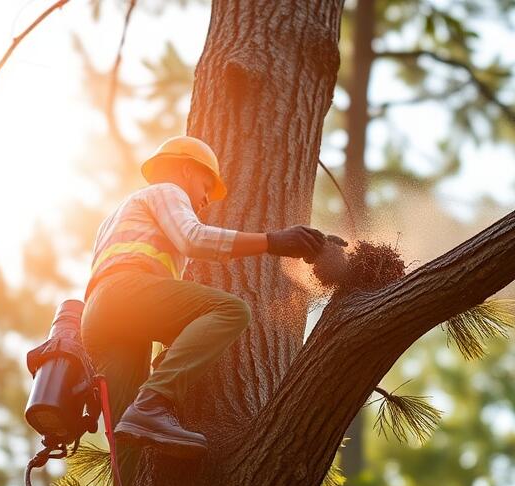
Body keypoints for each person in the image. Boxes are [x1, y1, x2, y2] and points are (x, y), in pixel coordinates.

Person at [80, 135, 335, 458]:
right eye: (206, 185)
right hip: (127, 293)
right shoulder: (166, 192)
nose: (205, 200)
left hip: (103, 316)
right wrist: (273, 241)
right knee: (230, 311)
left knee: (127, 439)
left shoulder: (116, 218)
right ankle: (154, 401)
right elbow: (193, 238)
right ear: (187, 170)